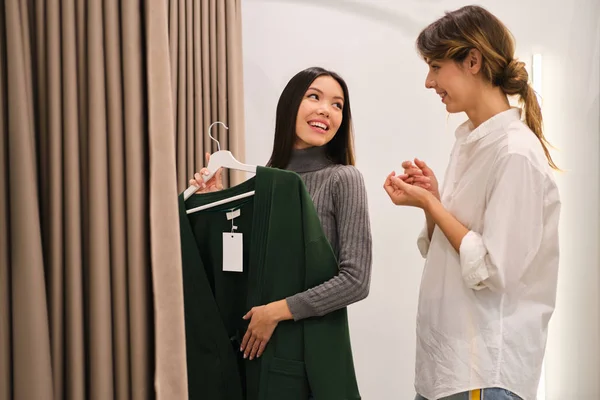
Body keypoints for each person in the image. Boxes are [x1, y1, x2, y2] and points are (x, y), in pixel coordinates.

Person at [383, 5, 560, 400]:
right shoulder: (470, 142)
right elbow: (450, 249)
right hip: (449, 370)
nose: (429, 82)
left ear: (473, 61)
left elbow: (493, 270)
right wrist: (433, 201)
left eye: (435, 66)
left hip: (483, 373)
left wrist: (434, 206)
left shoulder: (514, 152)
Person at [189, 67, 372, 362]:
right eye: (315, 97)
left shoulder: (343, 178)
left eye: (337, 104)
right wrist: (215, 204)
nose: (326, 110)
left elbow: (355, 281)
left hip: (312, 357)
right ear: (290, 105)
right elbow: (243, 272)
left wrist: (275, 313)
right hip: (255, 352)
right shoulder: (264, 183)